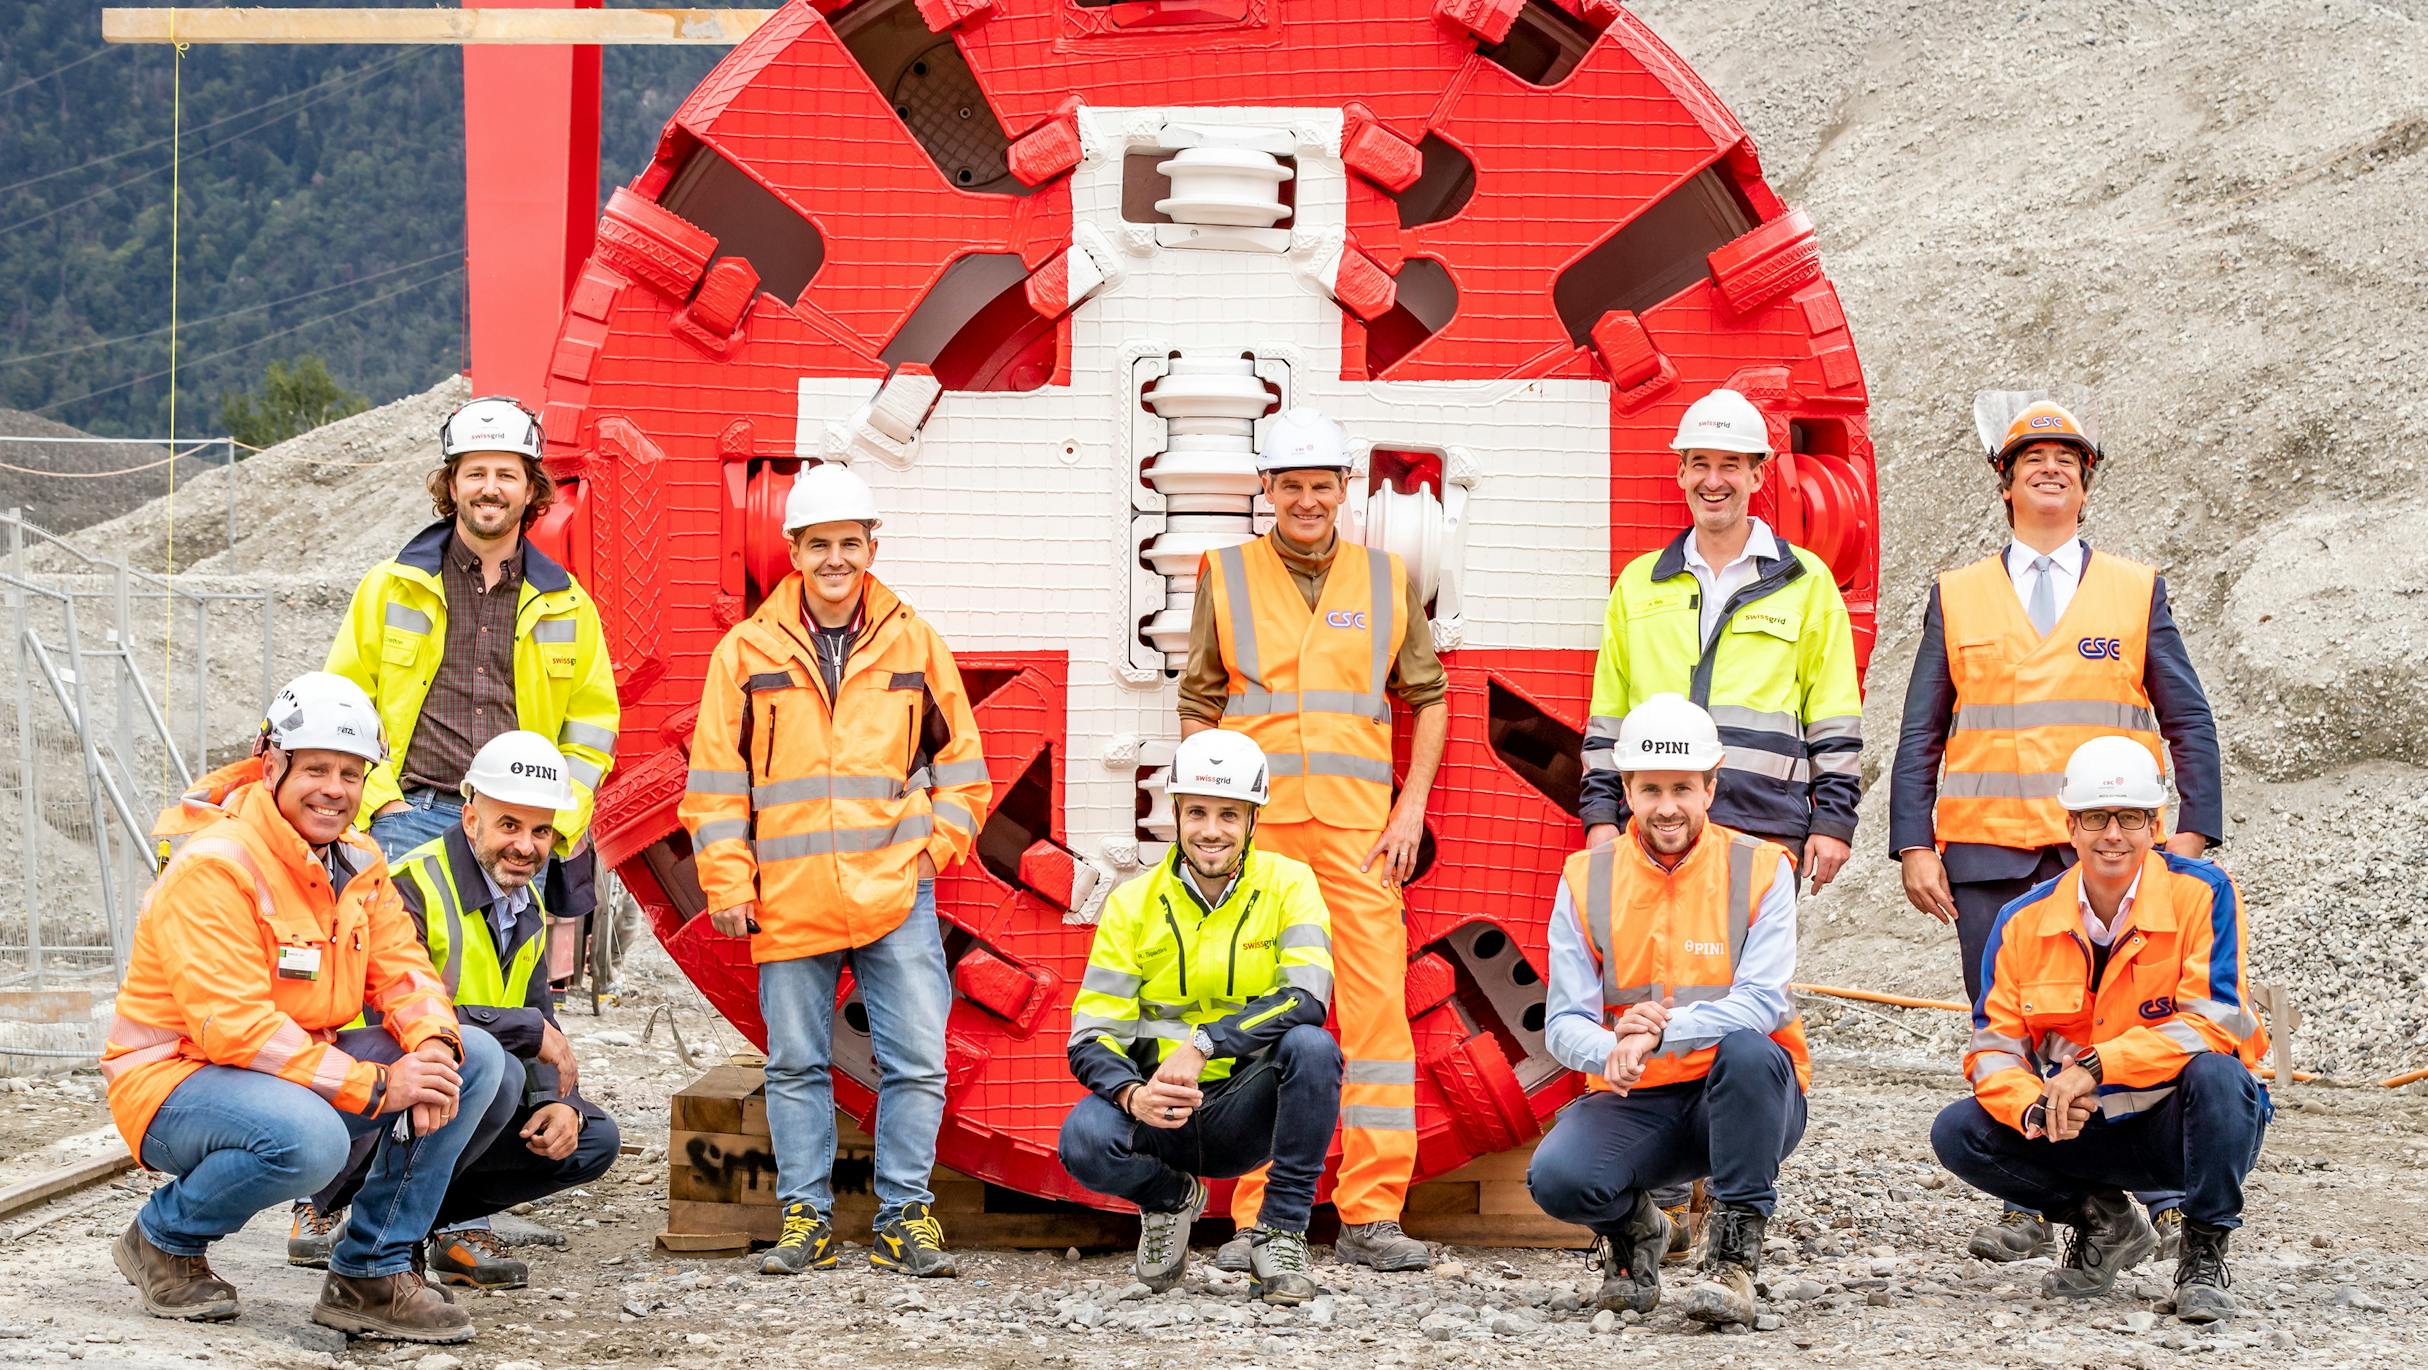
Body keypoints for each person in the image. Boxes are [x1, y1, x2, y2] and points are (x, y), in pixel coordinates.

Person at [1892, 396, 2222, 1261]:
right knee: (2008, 1021)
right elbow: (1921, 727)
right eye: (2032, 460)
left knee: (2122, 1018)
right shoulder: (1958, 595)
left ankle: (2151, 1189)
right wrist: (1914, 842)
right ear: (2004, 484)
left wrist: (2195, 828)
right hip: (1990, 847)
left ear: (2086, 484)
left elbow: (2187, 714)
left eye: (2067, 462)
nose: (2050, 470)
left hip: (2114, 853)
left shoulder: (2133, 589)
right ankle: (2034, 1197)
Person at [100, 673, 507, 1344]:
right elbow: (234, 1028)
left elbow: (405, 971)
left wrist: (432, 1048)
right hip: (175, 1082)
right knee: (310, 1139)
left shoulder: (358, 859)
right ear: (272, 765)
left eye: (351, 773)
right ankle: (161, 1240)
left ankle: (369, 1274)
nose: (335, 789)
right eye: (316, 768)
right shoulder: (217, 865)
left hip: (282, 1073)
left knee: (476, 1060)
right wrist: (380, 1084)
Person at [679, 462, 992, 1278]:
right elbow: (715, 784)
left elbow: (963, 767)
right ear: (793, 549)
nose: (835, 560)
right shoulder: (745, 654)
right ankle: (805, 1220)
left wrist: (931, 853)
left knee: (918, 1061)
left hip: (895, 892)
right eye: (819, 544)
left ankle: (904, 1215)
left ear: (869, 545)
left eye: (850, 543)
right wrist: (728, 885)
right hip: (788, 899)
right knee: (794, 1065)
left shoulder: (914, 642)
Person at [1577, 385, 1862, 1257]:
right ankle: (1658, 1181)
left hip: (1764, 825)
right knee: (1652, 982)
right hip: (1655, 824)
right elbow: (1610, 710)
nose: (1714, 480)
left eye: (1730, 465)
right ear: (1682, 474)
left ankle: (1728, 1202)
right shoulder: (1643, 584)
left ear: (1757, 475)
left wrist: (1833, 817)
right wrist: (1599, 815)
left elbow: (1834, 712)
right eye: (1699, 464)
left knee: (1744, 1006)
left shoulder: (1806, 584)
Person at [1184, 406, 1447, 1274]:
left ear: (1344, 492)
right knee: (1261, 1025)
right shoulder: (1222, 575)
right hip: (1263, 844)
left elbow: (1430, 699)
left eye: (1320, 486)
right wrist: (1209, 828)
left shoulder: (1384, 579)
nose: (1305, 500)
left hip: (1361, 836)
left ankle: (1372, 1214)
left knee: (1376, 1021)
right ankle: (1260, 1218)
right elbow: (1200, 704)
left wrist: (1409, 811)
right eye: (1290, 485)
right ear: (1267, 491)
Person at [1931, 737, 2266, 1322]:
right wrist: (2036, 1109)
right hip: (2083, 1131)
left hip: (2180, 1126)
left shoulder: (2203, 893)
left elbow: (2216, 1021)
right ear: (2071, 825)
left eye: (2130, 817)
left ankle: (2203, 1251)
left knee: (2222, 1076)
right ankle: (2103, 1221)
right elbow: (1993, 1049)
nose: (2113, 834)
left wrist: (2094, 1067)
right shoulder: (2022, 921)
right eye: (2095, 818)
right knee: (1959, 1130)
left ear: (2155, 823)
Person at [292, 732, 620, 1288]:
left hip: (458, 1086)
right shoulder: (410, 886)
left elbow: (539, 1014)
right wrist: (523, 1030)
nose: (526, 846)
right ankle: (353, 1218)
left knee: (590, 1138)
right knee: (496, 1065)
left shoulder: (526, 902)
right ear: (471, 820)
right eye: (509, 825)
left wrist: (560, 1103)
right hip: (367, 1096)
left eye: (541, 831)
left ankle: (427, 1224)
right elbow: (384, 1021)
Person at [1527, 694, 1810, 1326]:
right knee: (1558, 1179)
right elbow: (1565, 1023)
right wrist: (1612, 1049)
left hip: (1743, 1097)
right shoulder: (1585, 877)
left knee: (1749, 1048)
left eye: (1683, 787)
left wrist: (1658, 1033)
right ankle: (1639, 1232)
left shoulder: (1763, 869)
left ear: (1712, 786)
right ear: (1626, 788)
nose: (1667, 807)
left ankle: (1733, 1261)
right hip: (1641, 1099)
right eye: (1650, 789)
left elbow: (1763, 1002)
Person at [1059, 730, 1340, 1305]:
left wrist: (1205, 1043)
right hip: (1162, 1115)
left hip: (1246, 1109)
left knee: (1313, 1047)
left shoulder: (1291, 885)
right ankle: (1169, 1200)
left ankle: (1282, 1232)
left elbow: (1308, 996)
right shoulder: (1133, 903)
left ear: (1252, 820)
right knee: (1083, 1140)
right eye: (1199, 813)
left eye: (1229, 815)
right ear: (1178, 813)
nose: (1212, 830)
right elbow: (1091, 1035)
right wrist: (1134, 1096)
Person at [325, 393, 618, 862]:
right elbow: (343, 705)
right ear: (453, 485)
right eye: (476, 474)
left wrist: (554, 822)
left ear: (530, 490)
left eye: (506, 475)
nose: (490, 488)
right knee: (396, 940)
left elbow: (591, 732)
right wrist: (382, 803)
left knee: (510, 941)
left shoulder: (568, 606)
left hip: (516, 830)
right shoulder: (391, 587)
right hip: (408, 818)